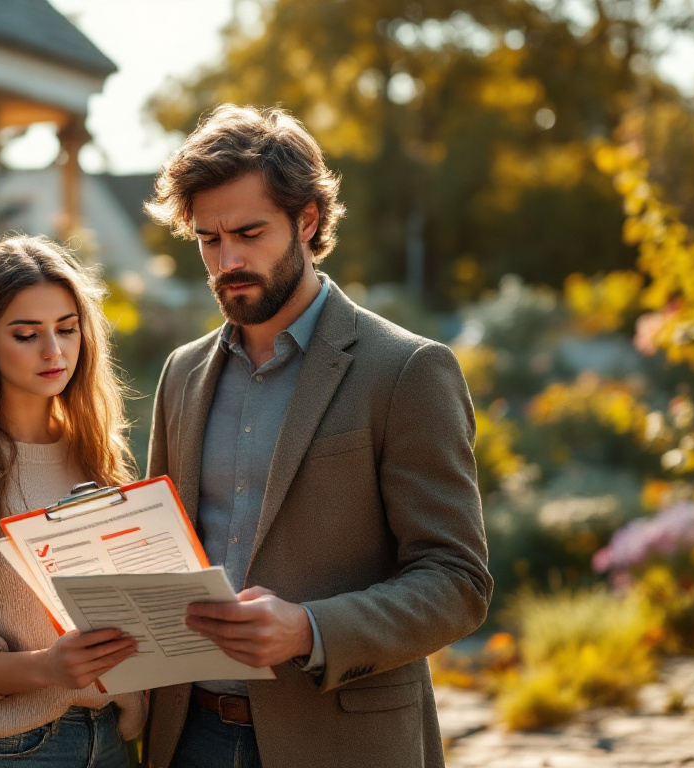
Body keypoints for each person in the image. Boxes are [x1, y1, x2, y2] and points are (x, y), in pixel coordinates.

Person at [140, 104, 492, 768]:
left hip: (343, 742)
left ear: (306, 220)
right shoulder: (181, 374)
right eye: (208, 240)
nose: (229, 260)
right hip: (188, 739)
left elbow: (457, 581)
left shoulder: (407, 370)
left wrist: (307, 629)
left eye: (249, 232)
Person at [0, 235, 147, 767]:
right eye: (26, 334)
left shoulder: (98, 457)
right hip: (13, 752)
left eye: (65, 328)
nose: (53, 351)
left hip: (112, 744)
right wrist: (48, 668)